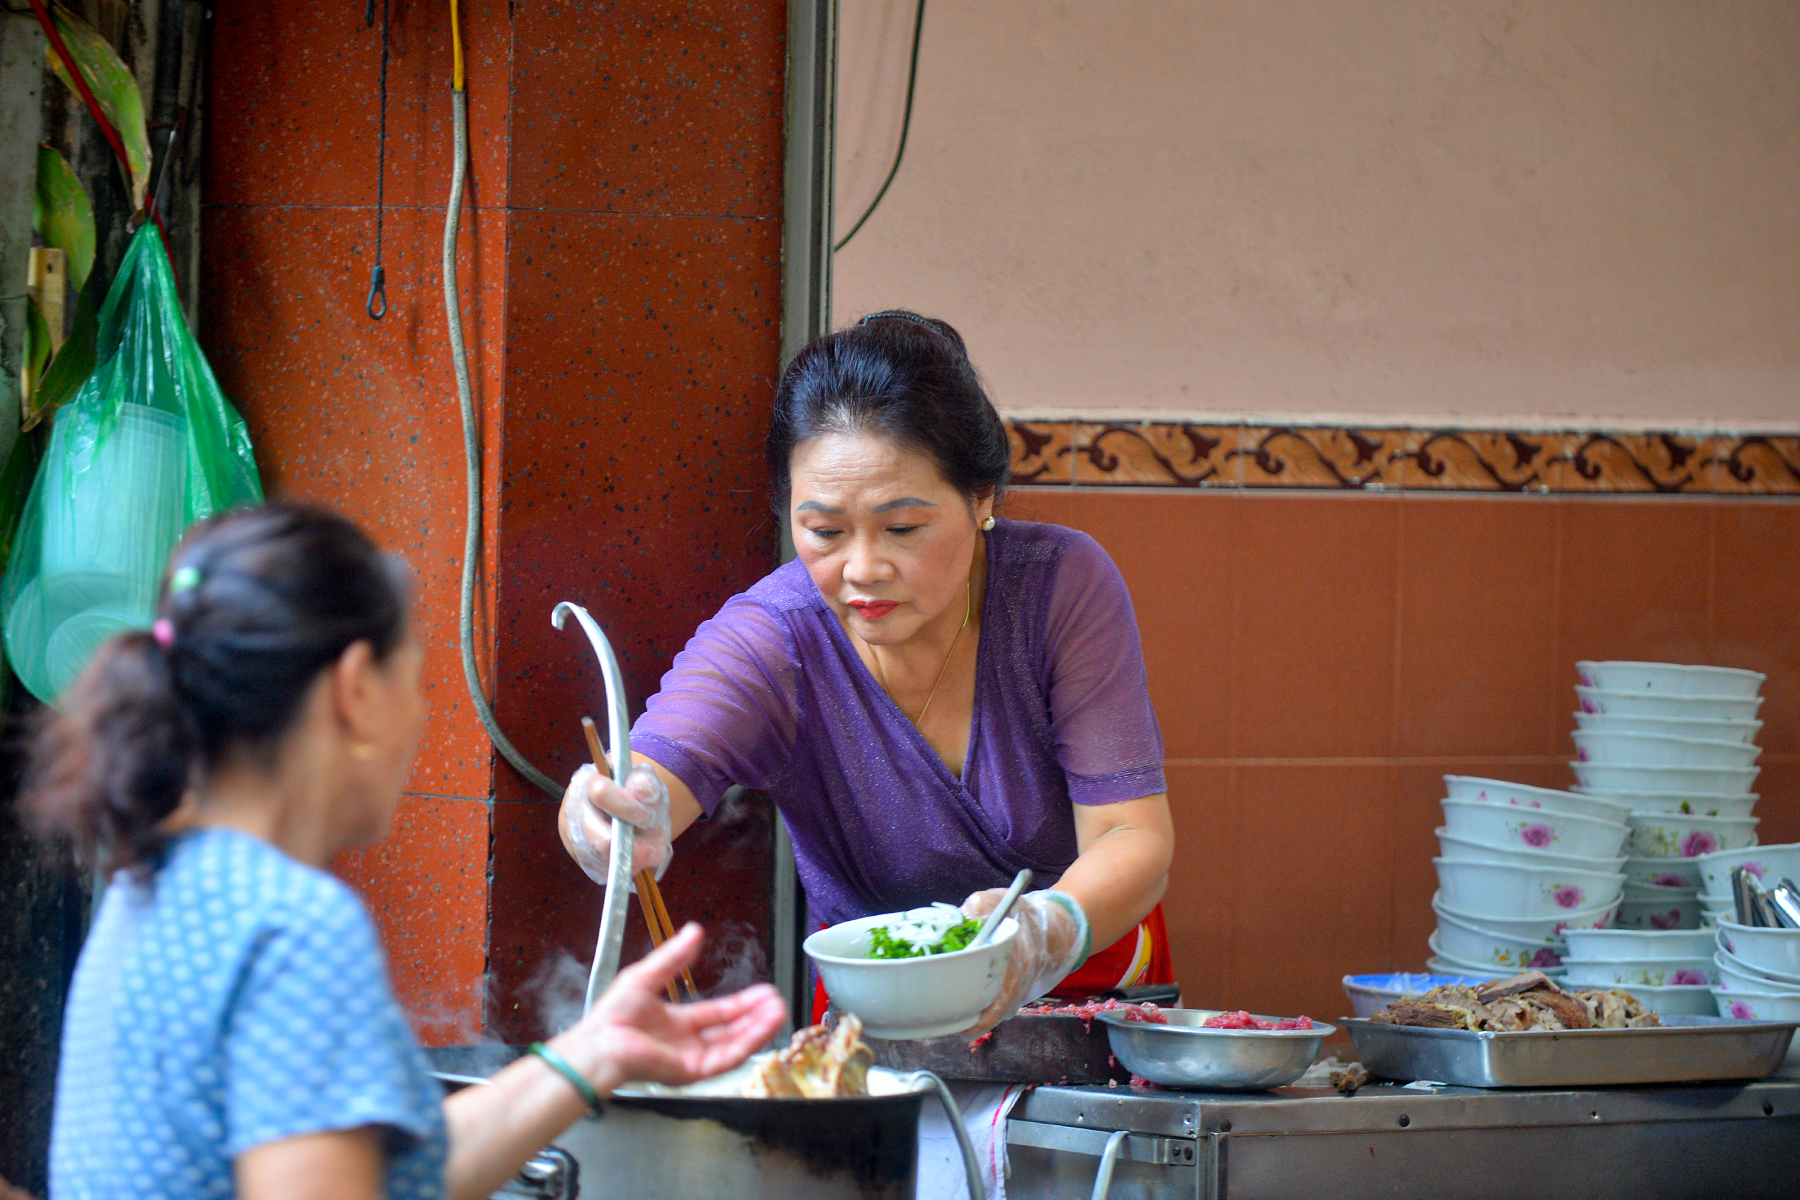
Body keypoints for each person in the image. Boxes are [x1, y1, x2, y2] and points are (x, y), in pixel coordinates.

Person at [30, 503, 785, 1200]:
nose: (421, 718)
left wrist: (589, 1056)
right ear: (356, 687)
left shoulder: (153, 887)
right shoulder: (287, 924)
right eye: (415, 681)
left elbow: (371, 1174)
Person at [561, 311, 1176, 1034]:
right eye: (823, 531)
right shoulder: (776, 634)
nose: (861, 569)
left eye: (903, 528)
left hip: (1087, 995)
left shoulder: (1061, 585)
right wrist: (617, 814)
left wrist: (1049, 929)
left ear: (981, 500)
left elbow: (1130, 835)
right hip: (880, 1030)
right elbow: (657, 770)